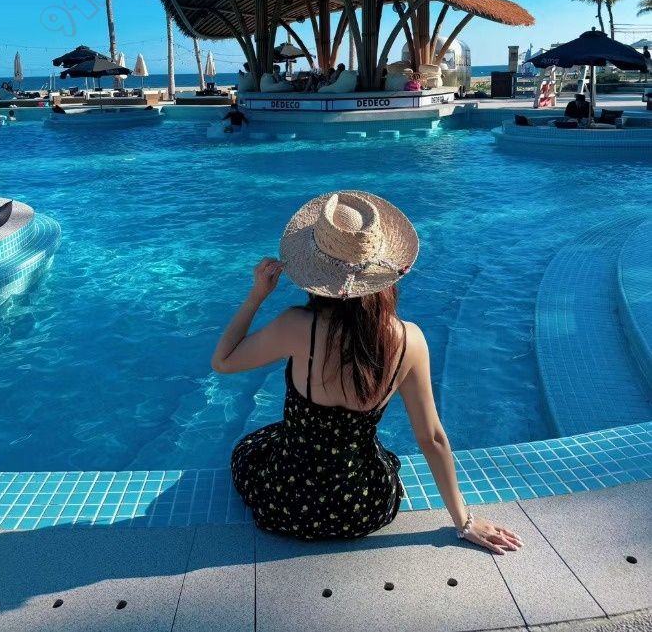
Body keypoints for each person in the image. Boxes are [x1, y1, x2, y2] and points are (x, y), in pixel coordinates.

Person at [212, 191, 523, 553]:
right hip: (363, 508)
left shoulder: (295, 327)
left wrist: (257, 295)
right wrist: (464, 520)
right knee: (379, 455)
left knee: (251, 448)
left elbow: (223, 361)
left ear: (314, 273)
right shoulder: (409, 341)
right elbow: (432, 438)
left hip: (287, 503)